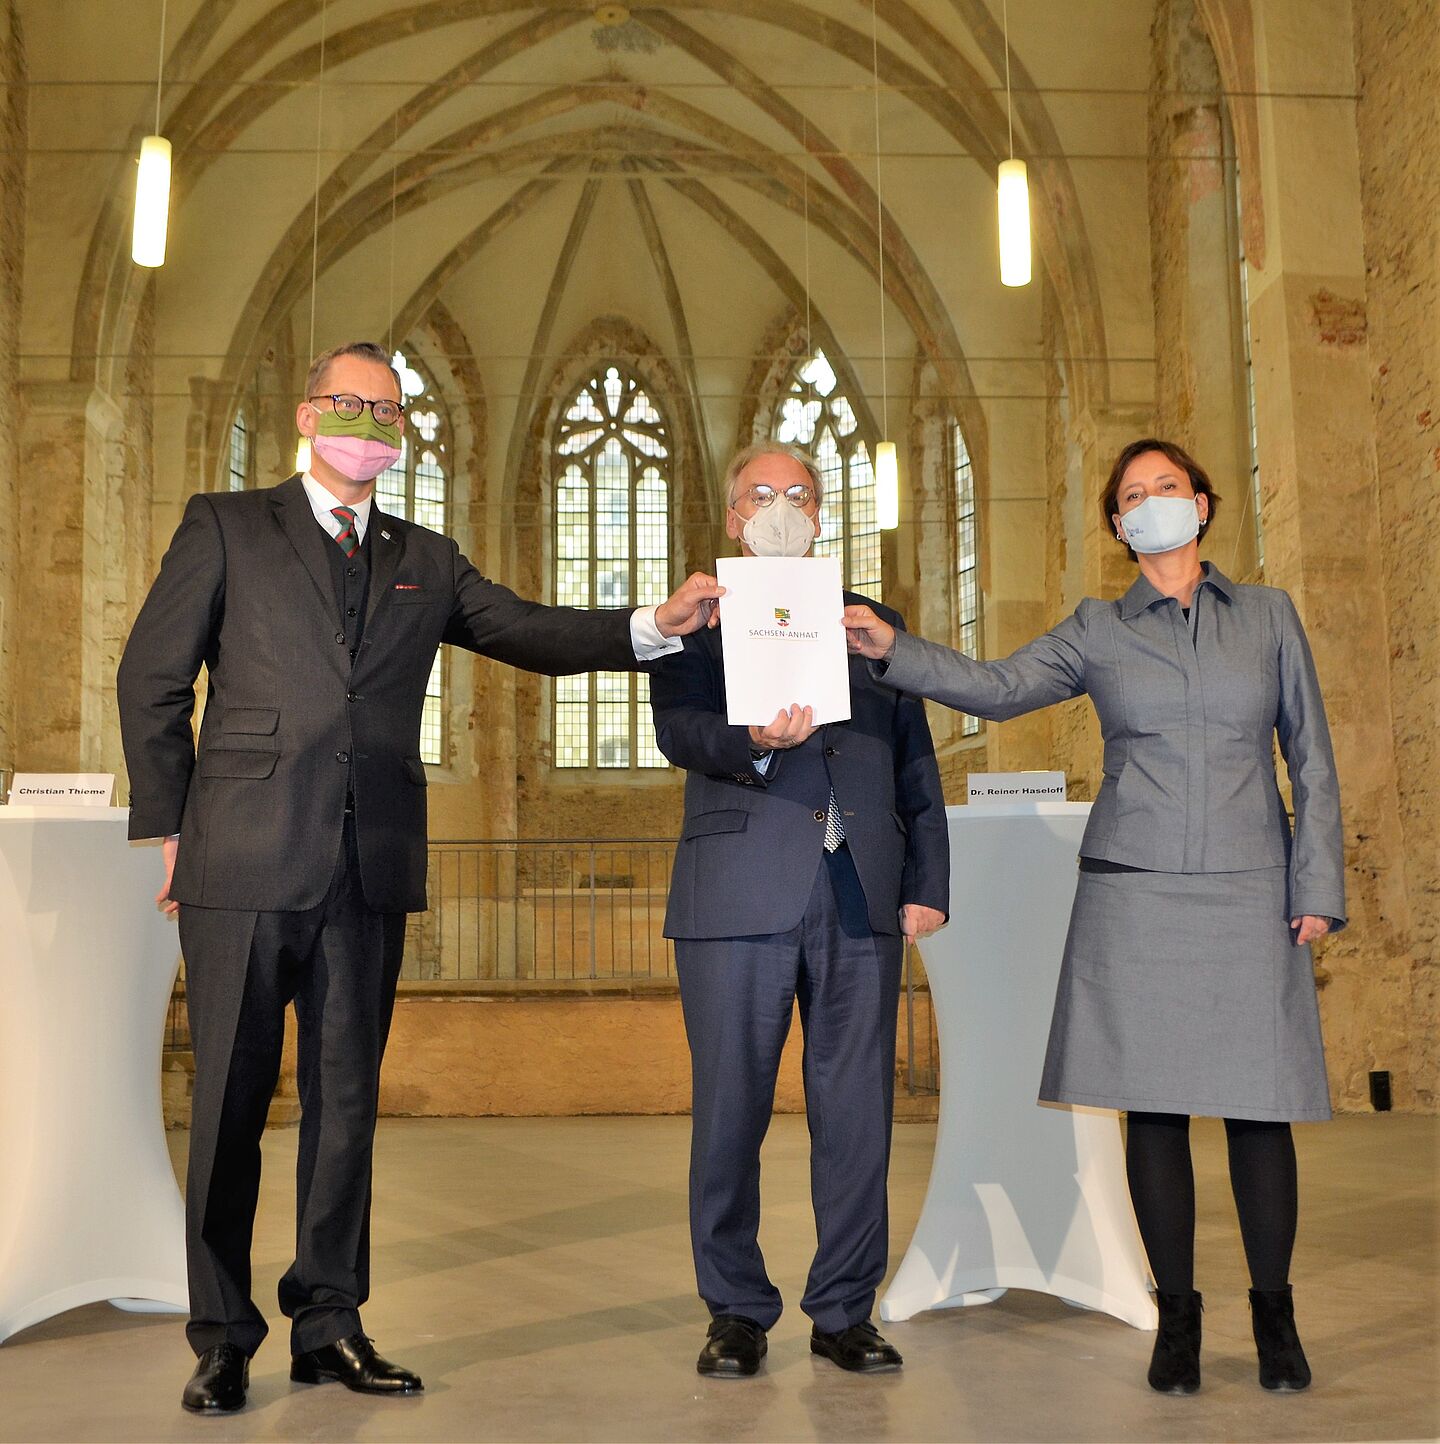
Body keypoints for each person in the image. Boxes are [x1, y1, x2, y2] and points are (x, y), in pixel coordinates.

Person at [117, 341, 722, 1415]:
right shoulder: (226, 524)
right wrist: (169, 826)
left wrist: (650, 628)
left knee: (345, 1105)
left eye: (388, 410)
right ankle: (221, 1335)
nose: (369, 421)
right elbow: (152, 677)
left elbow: (530, 630)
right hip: (242, 857)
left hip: (372, 860)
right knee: (229, 1108)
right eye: (350, 403)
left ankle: (329, 1321)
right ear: (307, 415)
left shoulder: (425, 556)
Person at [844, 437, 1344, 1397]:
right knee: (1152, 1109)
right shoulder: (1099, 629)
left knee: (1258, 1109)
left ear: (1202, 504)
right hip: (1135, 890)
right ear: (1119, 526)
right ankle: (1180, 1317)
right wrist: (893, 651)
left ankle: (1275, 1316)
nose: (1151, 503)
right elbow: (998, 687)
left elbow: (1312, 759)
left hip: (1249, 887)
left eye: (1167, 487)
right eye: (1133, 496)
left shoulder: (1271, 618)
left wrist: (1315, 885)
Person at [649, 441, 949, 1378]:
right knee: (729, 1113)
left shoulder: (873, 624)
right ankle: (734, 1310)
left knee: (857, 1114)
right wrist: (753, 742)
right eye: (762, 495)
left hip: (858, 888)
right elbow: (676, 730)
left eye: (801, 495)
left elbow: (913, 761)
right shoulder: (692, 618)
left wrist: (928, 882)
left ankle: (843, 1310)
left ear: (822, 515)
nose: (783, 506)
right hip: (738, 889)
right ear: (735, 517)